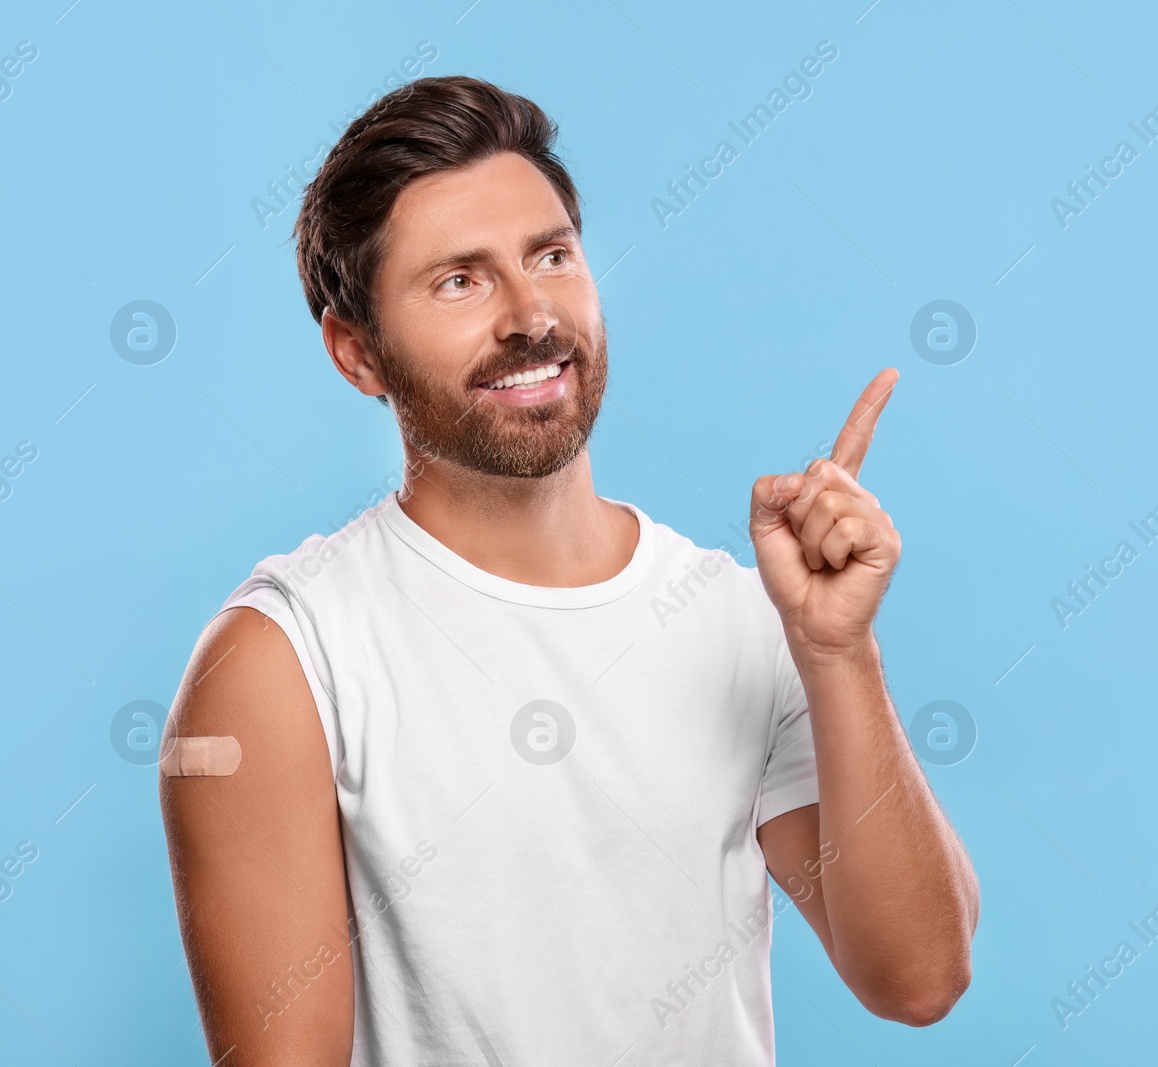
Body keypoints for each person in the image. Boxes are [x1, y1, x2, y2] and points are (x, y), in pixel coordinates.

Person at [159, 74, 978, 1066]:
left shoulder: (732, 614)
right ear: (356, 354)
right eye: (458, 280)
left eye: (550, 255)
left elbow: (919, 976)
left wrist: (837, 652)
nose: (530, 313)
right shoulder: (282, 658)